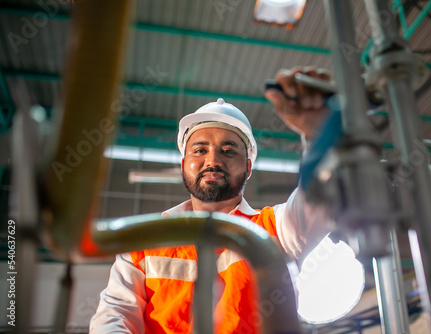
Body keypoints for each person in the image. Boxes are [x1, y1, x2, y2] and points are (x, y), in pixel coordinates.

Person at [90, 67, 334, 333]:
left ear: (248, 167)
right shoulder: (145, 241)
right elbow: (114, 317)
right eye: (200, 150)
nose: (213, 160)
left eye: (228, 151)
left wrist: (321, 135)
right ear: (184, 164)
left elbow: (321, 197)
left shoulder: (277, 229)